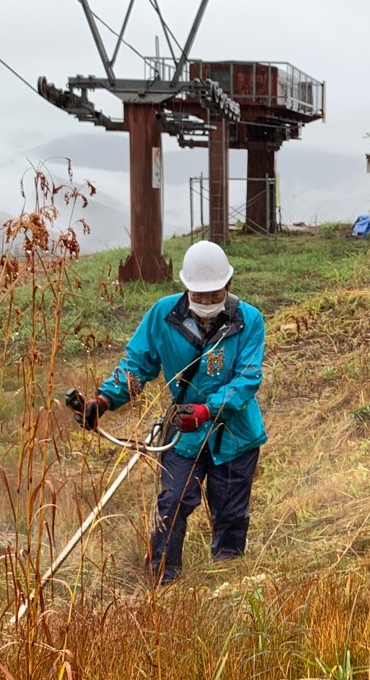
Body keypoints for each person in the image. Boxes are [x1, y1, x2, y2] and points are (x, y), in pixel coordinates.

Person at [74, 240, 267, 586]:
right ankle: (163, 580)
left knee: (230, 513)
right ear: (186, 288)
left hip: (235, 435)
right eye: (199, 295)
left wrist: (209, 409)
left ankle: (226, 580)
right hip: (183, 433)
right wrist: (103, 401)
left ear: (228, 286)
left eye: (214, 294)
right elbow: (136, 365)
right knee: (173, 502)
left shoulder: (249, 320)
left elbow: (247, 378)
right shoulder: (163, 317)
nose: (206, 302)